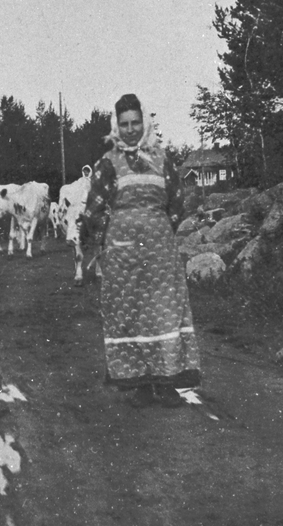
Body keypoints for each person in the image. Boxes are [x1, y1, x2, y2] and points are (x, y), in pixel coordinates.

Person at [80, 93, 200, 407]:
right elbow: (93, 210)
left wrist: (157, 230)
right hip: (122, 256)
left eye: (135, 122)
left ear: (144, 123)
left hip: (160, 253)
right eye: (124, 124)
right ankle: (141, 385)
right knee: (129, 314)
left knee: (163, 313)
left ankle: (167, 383)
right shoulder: (108, 163)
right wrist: (106, 243)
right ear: (116, 127)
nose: (131, 129)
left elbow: (177, 202)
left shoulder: (162, 160)